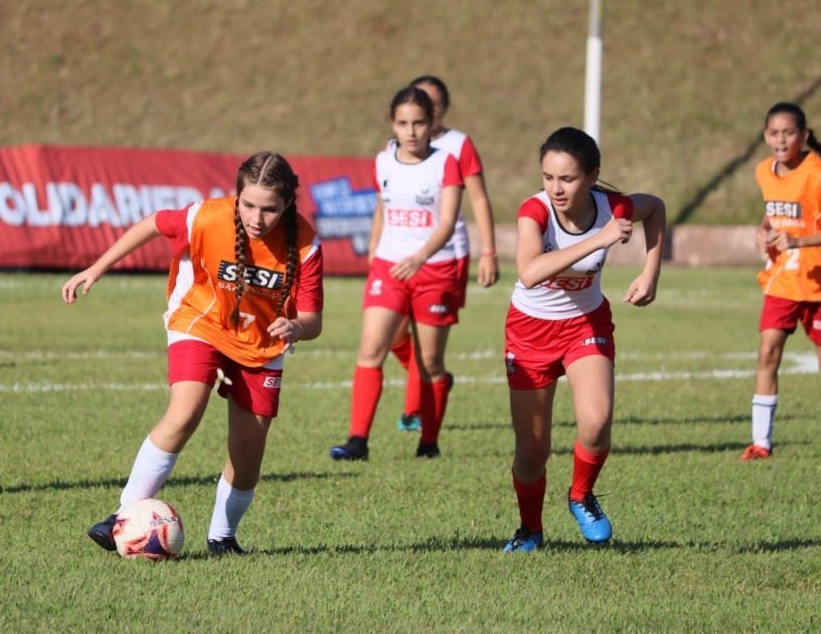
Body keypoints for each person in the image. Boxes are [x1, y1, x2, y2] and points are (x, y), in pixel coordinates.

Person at [63, 152, 323, 555]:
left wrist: (296, 327)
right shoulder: (206, 216)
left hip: (260, 343)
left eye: (270, 209)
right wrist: (97, 267)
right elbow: (153, 223)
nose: (257, 218)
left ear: (288, 204)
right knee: (185, 411)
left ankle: (222, 537)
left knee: (249, 449)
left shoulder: (305, 245)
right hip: (199, 321)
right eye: (248, 205)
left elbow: (313, 320)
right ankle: (121, 517)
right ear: (236, 196)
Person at [500, 127, 665, 553]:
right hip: (530, 330)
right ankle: (530, 531)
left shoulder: (615, 207)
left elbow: (656, 207)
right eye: (548, 177)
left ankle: (580, 495)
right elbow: (529, 272)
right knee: (533, 450)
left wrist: (650, 272)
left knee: (596, 423)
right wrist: (600, 239)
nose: (555, 188)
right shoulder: (533, 212)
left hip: (585, 326)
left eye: (567, 179)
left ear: (593, 176)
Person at [329, 86, 463, 461]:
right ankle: (357, 441)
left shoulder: (446, 163)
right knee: (372, 347)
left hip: (434, 270)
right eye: (403, 123)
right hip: (390, 267)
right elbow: (381, 208)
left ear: (431, 123)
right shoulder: (383, 161)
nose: (412, 131)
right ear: (392, 124)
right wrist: (375, 248)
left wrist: (420, 256)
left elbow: (448, 221)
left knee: (430, 362)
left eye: (419, 123)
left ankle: (429, 443)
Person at [386, 76, 499, 433]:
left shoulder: (457, 145)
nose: (424, 111)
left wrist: (489, 251)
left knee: (426, 342)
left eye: (431, 105)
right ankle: (432, 382)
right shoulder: (398, 146)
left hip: (446, 255)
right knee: (393, 335)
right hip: (402, 255)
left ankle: (415, 411)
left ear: (442, 110)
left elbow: (478, 197)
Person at [740, 102, 821, 461]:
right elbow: (774, 207)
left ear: (803, 136)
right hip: (781, 279)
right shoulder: (764, 171)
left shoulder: (820, 174)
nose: (781, 139)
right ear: (766, 137)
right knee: (767, 353)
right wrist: (763, 232)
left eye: (788, 133)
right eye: (774, 133)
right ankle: (761, 444)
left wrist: (798, 241)